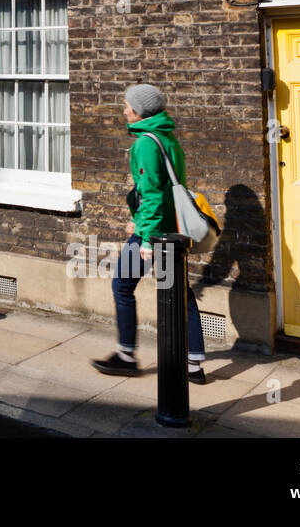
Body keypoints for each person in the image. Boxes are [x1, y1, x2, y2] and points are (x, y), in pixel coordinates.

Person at [91, 84, 207, 383]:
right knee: (180, 292)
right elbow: (167, 189)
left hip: (154, 234)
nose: (124, 110)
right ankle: (194, 363)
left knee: (122, 285)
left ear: (139, 110)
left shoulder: (145, 142)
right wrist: (140, 221)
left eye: (127, 105)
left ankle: (126, 356)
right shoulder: (168, 137)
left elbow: (152, 193)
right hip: (172, 230)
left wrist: (144, 237)